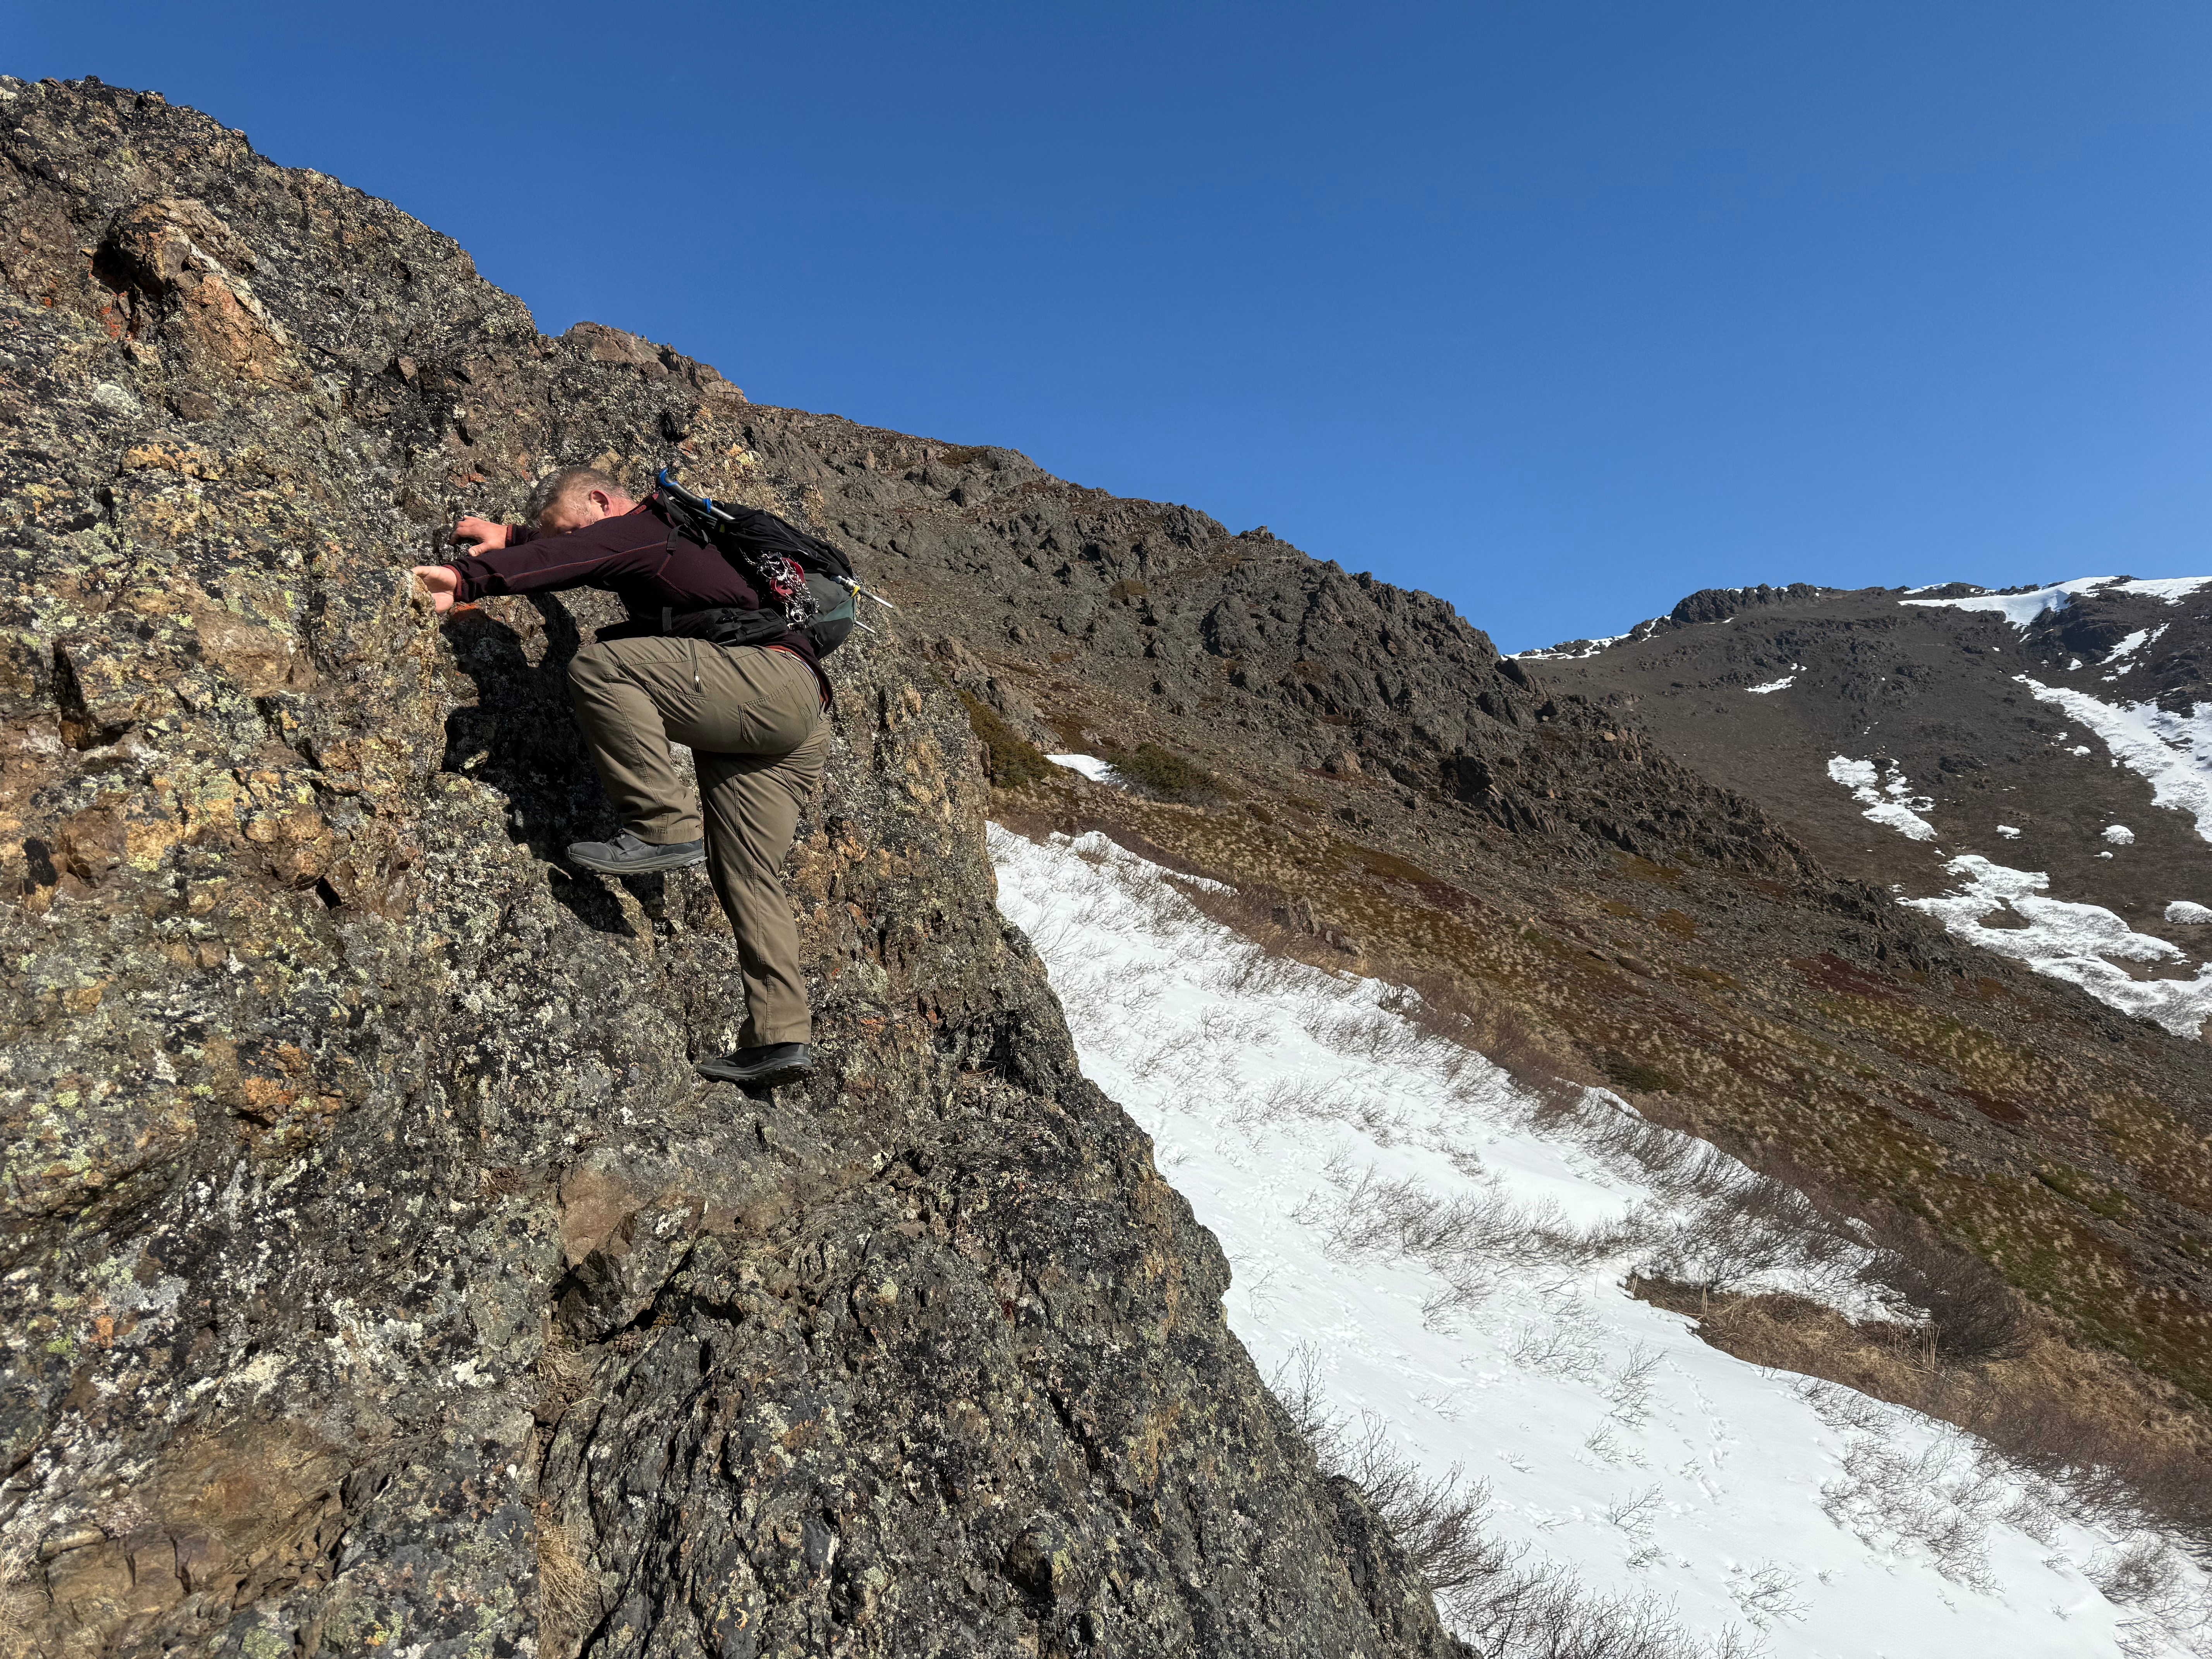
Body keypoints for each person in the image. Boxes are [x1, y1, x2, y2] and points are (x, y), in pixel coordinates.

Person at [412, 465, 830, 1089]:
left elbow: (581, 556)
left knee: (606, 669)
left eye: (568, 525)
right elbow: (579, 547)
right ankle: (779, 1037)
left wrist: (467, 577)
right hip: (798, 709)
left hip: (760, 685)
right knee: (746, 872)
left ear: (602, 499)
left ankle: (662, 827)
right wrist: (518, 537)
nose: (570, 541)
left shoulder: (648, 527)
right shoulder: (679, 540)